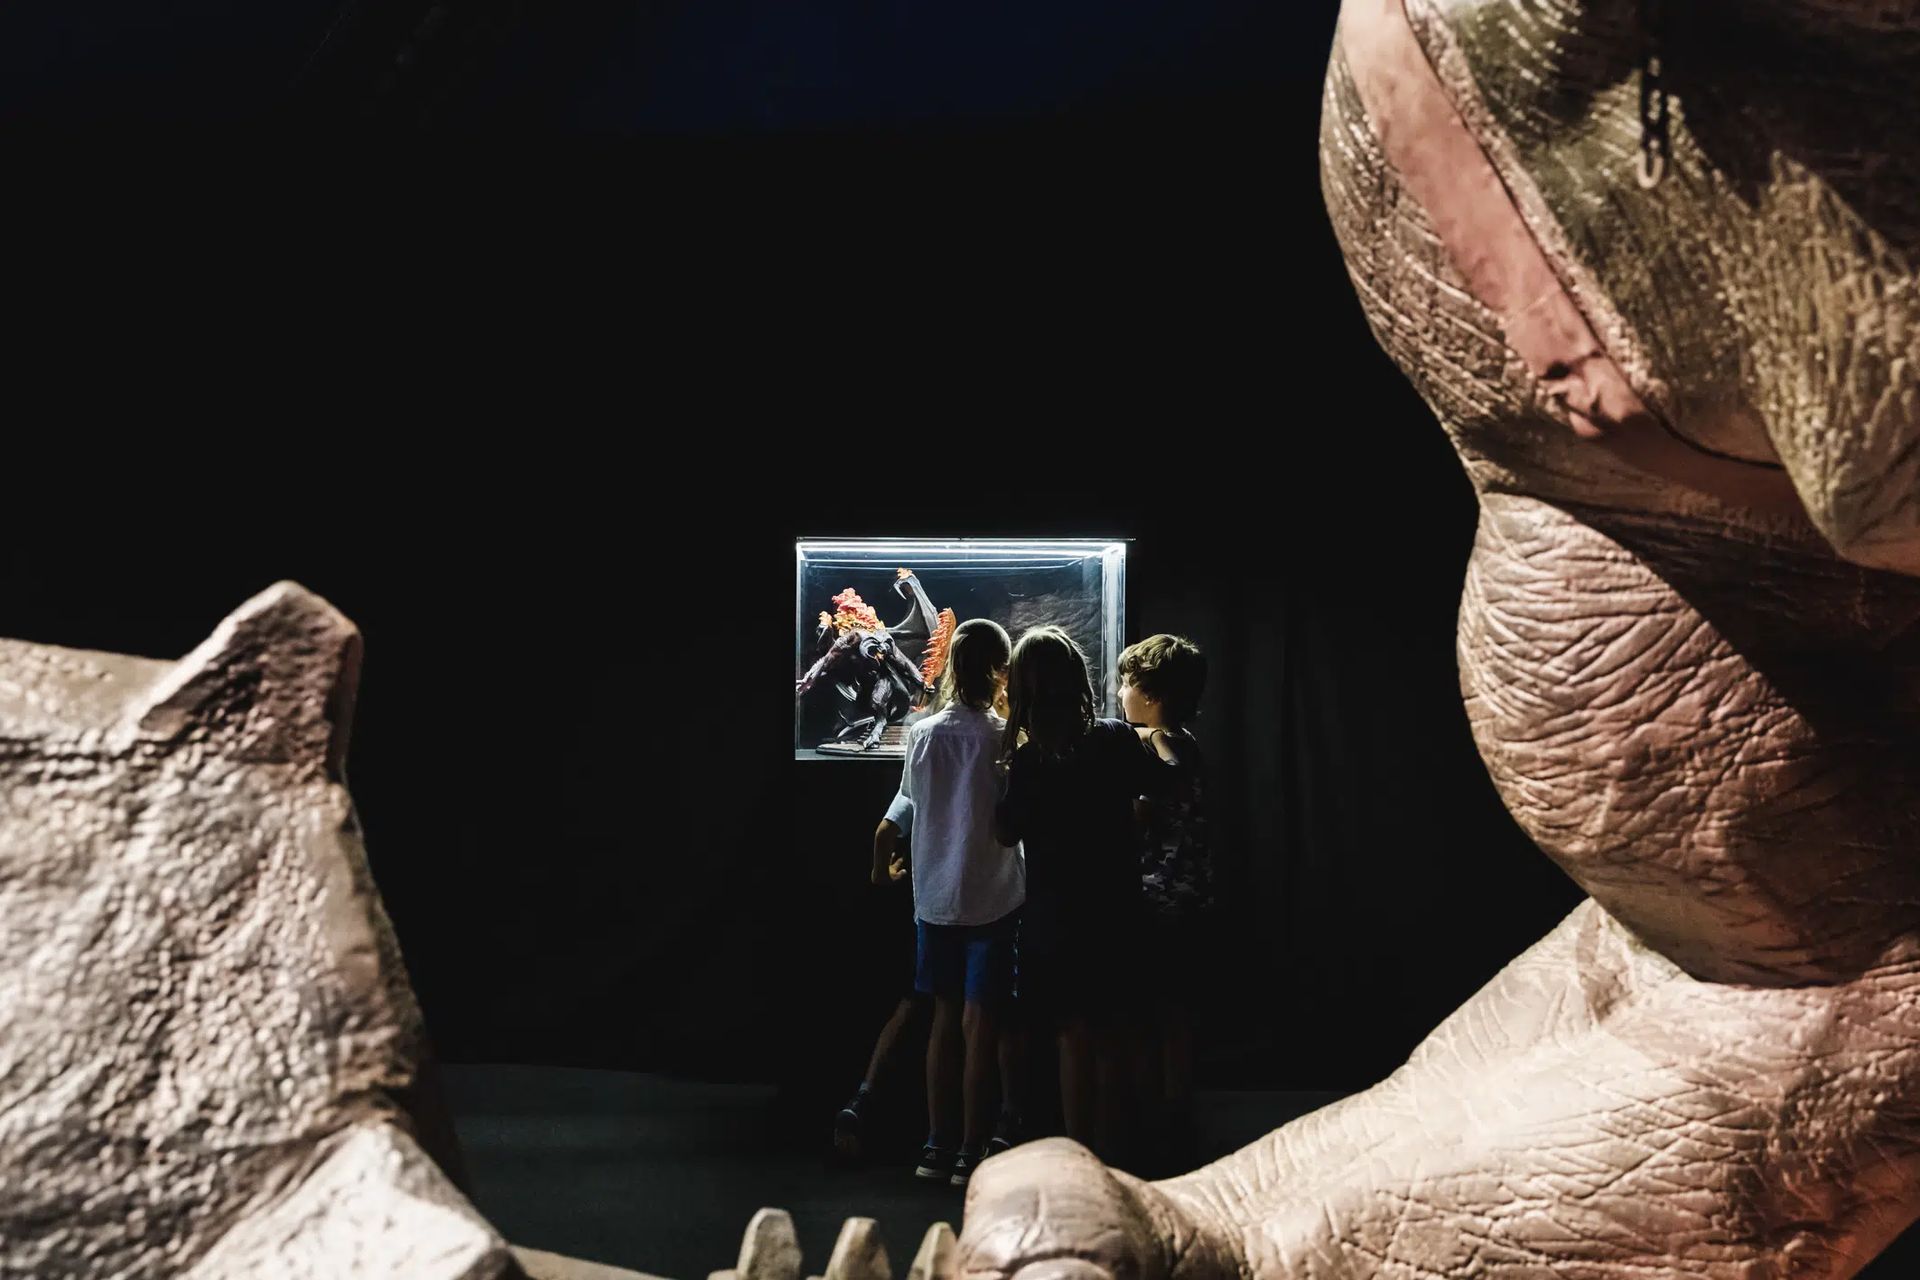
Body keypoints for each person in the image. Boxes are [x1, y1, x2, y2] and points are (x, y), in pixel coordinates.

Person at [995, 625, 1166, 1162]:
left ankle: (1079, 1155)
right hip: (1115, 905)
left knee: (1071, 1034)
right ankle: (1121, 1154)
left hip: (1053, 915)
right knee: (1114, 1030)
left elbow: (1005, 832)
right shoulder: (1115, 738)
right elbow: (1157, 791)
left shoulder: (1028, 761)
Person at [895, 619, 1023, 1187]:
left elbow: (910, 805)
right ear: (1001, 669)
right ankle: (972, 1149)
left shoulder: (921, 734)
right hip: (993, 899)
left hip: (936, 897)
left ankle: (934, 1144)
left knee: (943, 1021)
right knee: (981, 1025)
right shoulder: (1003, 737)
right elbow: (1009, 825)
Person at [1117, 633, 1212, 1171]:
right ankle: (1175, 1123)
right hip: (1192, 895)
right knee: (1174, 1015)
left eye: (1128, 682)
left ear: (1150, 691)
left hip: (1160, 898)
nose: (1121, 690)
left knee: (1150, 1015)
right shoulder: (1189, 739)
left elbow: (1163, 788)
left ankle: (1156, 1128)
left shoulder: (1157, 741)